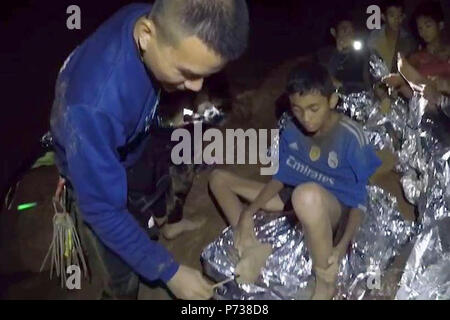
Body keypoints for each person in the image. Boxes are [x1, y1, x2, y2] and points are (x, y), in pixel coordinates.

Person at [50, 0, 249, 300]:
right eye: (187, 72)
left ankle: (168, 224)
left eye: (206, 74)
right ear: (146, 35)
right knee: (122, 274)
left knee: (161, 178)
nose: (196, 87)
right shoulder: (92, 107)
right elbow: (103, 209)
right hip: (98, 162)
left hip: (135, 139)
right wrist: (169, 271)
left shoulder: (153, 19)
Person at [209, 63, 381, 299]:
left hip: (332, 207)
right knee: (218, 179)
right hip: (295, 194)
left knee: (306, 196)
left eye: (313, 108)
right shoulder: (292, 129)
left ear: (332, 101)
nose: (305, 118)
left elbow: (360, 199)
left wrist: (341, 247)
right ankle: (250, 247)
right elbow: (283, 176)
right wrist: (249, 211)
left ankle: (324, 284)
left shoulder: (350, 137)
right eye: (297, 109)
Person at [317, 15, 371, 94]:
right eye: (345, 30)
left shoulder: (363, 53)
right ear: (334, 32)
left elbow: (368, 85)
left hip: (360, 99)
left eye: (351, 31)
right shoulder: (324, 54)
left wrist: (343, 86)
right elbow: (325, 81)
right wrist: (338, 53)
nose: (349, 35)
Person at [368, 0, 417, 73]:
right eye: (392, 15)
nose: (396, 20)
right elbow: (367, 65)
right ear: (383, 17)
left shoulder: (408, 40)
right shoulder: (374, 37)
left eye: (399, 16)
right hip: (377, 82)